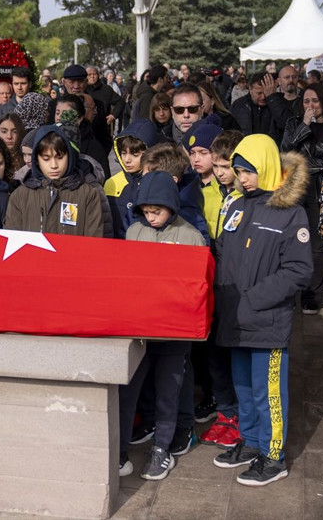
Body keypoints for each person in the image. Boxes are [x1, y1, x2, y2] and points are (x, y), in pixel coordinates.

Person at [212, 135, 312, 486]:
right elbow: (222, 254)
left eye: (248, 171)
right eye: (239, 171)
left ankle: (274, 456)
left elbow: (299, 270)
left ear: (267, 167)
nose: (242, 178)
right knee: (244, 385)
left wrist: (254, 298)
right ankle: (252, 442)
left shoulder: (290, 212)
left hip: (266, 318)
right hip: (235, 318)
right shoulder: (237, 206)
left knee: (268, 391)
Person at [118, 170, 206, 480]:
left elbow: (197, 288)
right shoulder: (134, 233)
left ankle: (162, 449)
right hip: (140, 332)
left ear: (172, 204)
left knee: (169, 393)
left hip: (173, 332)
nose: (151, 217)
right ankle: (119, 450)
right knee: (128, 391)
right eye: (145, 212)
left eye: (157, 211)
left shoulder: (192, 237)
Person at [197, 130, 245, 450]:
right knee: (215, 352)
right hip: (215, 282)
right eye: (216, 166)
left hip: (237, 288)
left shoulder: (247, 201)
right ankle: (226, 412)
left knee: (234, 355)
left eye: (226, 166)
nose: (220, 172)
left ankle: (241, 416)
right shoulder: (215, 192)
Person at [282, 83, 323, 315]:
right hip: (298, 188)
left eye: (315, 101)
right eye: (306, 101)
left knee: (317, 245)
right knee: (292, 240)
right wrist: (305, 125)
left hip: (321, 189)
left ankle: (311, 294)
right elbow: (285, 150)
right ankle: (288, 288)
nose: (311, 106)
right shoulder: (294, 124)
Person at [4, 125, 104, 237]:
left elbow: (94, 242)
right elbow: (13, 240)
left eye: (59, 157)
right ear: (36, 160)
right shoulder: (20, 196)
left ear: (69, 156)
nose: (54, 165)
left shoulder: (88, 194)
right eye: (46, 159)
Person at [104, 119, 160, 238]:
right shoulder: (111, 183)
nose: (127, 160)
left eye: (135, 155)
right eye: (123, 153)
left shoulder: (156, 183)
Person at [231, 72, 280, 142]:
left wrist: (273, 100)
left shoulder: (277, 104)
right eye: (259, 93)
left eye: (266, 92)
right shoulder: (238, 106)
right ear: (250, 89)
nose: (263, 97)